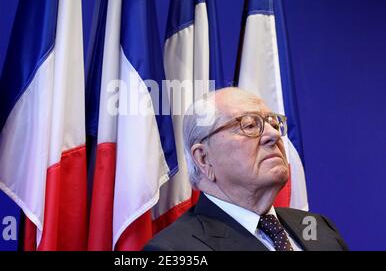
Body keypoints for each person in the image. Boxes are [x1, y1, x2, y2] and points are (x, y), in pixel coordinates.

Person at [144, 87, 348, 251]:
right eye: (250, 126)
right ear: (204, 159)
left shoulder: (317, 227)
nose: (274, 135)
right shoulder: (172, 249)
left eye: (274, 124)